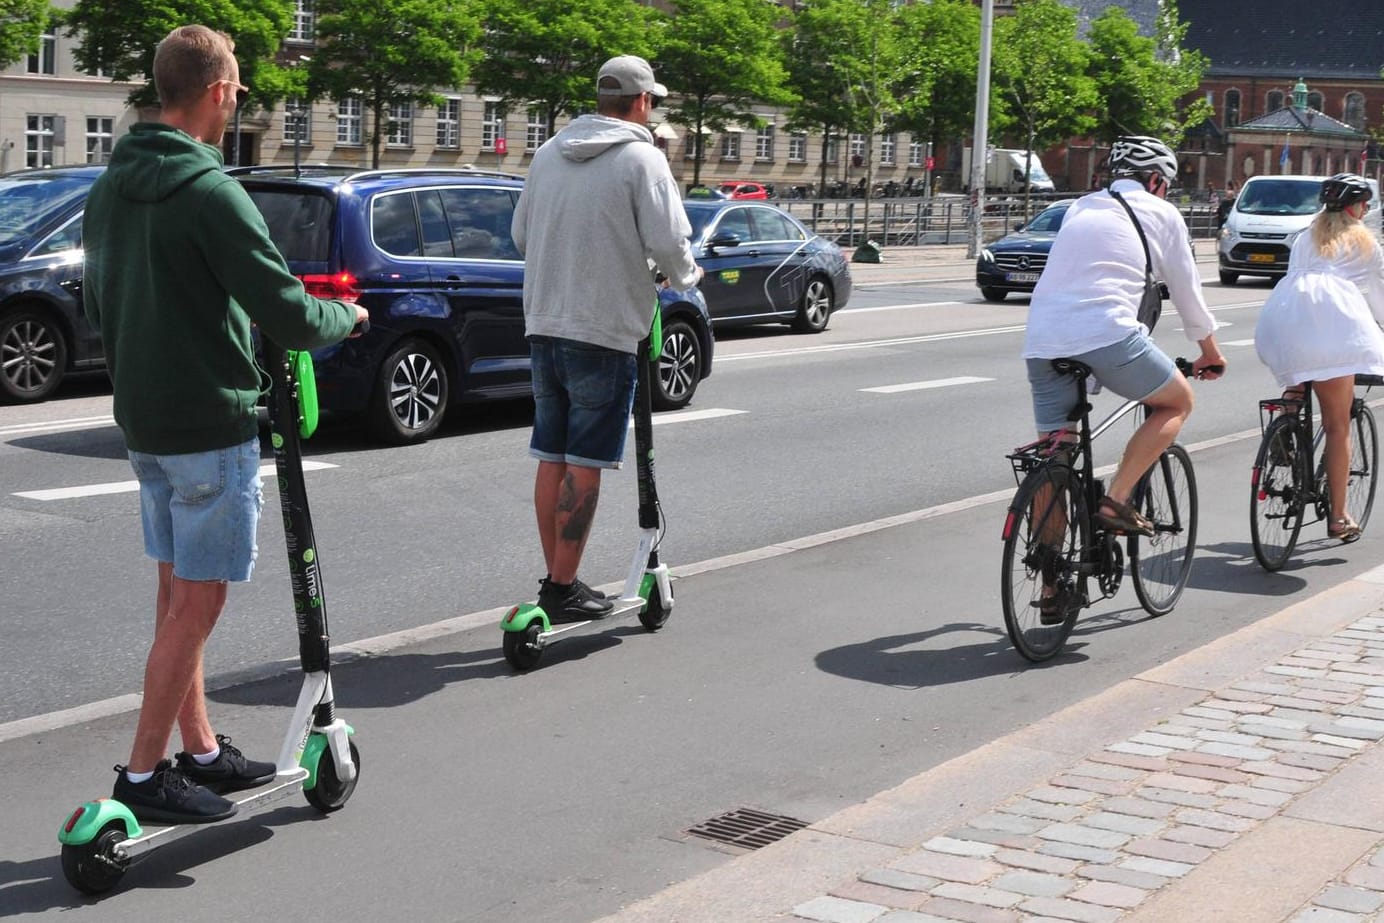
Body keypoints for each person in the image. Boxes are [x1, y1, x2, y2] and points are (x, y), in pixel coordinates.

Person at [83, 24, 369, 824]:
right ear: (215, 93)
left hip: (144, 420)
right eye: (238, 87)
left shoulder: (110, 186)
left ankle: (200, 751)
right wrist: (344, 317)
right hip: (210, 419)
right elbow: (287, 311)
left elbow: (98, 302)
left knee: (176, 590)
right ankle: (143, 776)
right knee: (199, 603)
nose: (239, 97)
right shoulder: (212, 192)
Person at [511, 55, 702, 622]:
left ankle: (556, 580)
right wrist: (685, 276)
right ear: (642, 102)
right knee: (585, 461)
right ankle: (564, 585)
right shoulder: (641, 158)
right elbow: (669, 242)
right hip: (604, 329)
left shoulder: (547, 155)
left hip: (544, 322)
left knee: (551, 454)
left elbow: (521, 234)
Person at [1022, 135, 1225, 564]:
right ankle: (1115, 501)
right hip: (1108, 332)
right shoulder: (1162, 212)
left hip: (1041, 339)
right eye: (1166, 183)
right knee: (1176, 402)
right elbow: (1187, 293)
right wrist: (1210, 351)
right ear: (1155, 180)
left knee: (1054, 454)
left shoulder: (1081, 206)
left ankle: (1050, 580)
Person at [1254, 173, 1384, 542]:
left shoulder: (1303, 237)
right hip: (1331, 324)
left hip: (1283, 316)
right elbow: (1380, 297)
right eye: (1365, 204)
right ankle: (1339, 517)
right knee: (1337, 425)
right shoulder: (1365, 243)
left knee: (1299, 366)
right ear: (1356, 208)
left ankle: (1289, 418)